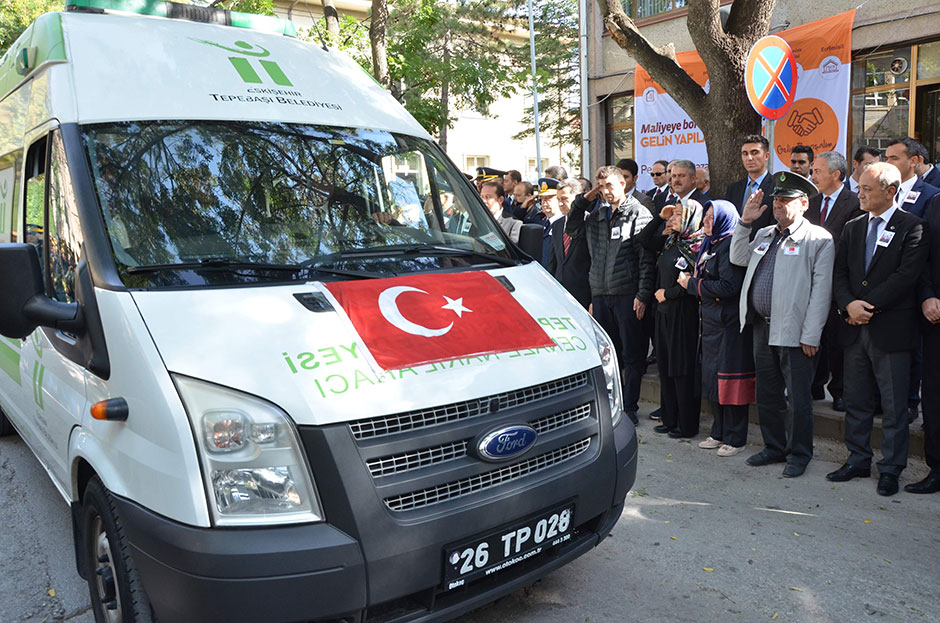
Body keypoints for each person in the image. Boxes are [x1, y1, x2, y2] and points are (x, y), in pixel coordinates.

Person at [828, 162, 928, 496]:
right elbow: (839, 273)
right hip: (854, 329)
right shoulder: (854, 226)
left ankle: (891, 468)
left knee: (894, 405)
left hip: (891, 330)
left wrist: (865, 306)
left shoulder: (913, 227)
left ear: (890, 191)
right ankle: (857, 459)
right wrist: (848, 306)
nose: (860, 194)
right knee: (856, 399)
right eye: (860, 188)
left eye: (867, 189)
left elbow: (906, 276)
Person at [730, 171, 834, 478]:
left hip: (795, 331)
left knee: (799, 398)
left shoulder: (818, 239)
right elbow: (737, 258)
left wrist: (811, 334)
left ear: (803, 204)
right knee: (768, 393)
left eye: (785, 200)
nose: (778, 205)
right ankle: (773, 447)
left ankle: (799, 453)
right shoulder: (764, 234)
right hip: (762, 327)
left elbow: (821, 292)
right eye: (776, 199)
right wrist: (745, 222)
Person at [567, 166, 655, 425]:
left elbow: (646, 259)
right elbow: (572, 228)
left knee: (632, 355)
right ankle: (610, 404)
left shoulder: (638, 213)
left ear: (623, 184)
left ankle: (629, 407)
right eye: (601, 186)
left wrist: (643, 294)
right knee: (608, 354)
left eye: (610, 186)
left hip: (628, 294)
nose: (606, 191)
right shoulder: (596, 216)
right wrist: (584, 200)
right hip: (601, 293)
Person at [680, 200, 754, 456]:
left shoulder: (730, 244)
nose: (707, 222)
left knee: (730, 379)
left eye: (712, 217)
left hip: (728, 323)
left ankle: (735, 437)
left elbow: (728, 287)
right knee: (712, 378)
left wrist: (692, 285)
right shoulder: (710, 244)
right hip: (711, 322)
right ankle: (718, 431)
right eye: (706, 217)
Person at [636, 200, 703, 439]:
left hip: (683, 316)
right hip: (663, 315)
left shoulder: (696, 246)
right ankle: (669, 417)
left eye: (677, 215)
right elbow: (643, 240)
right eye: (672, 215)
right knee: (665, 368)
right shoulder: (672, 241)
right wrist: (659, 217)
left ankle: (685, 425)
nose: (672, 219)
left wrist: (668, 294)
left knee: (681, 369)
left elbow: (690, 284)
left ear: (690, 218)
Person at [807, 151, 863, 411]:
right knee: (814, 337)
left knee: (839, 340)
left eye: (818, 171)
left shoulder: (854, 203)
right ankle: (814, 385)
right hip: (813, 281)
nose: (813, 175)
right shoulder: (811, 201)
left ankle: (838, 390)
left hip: (840, 282)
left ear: (836, 174)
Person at [907, 194, 940, 493]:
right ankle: (937, 469)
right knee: (933, 394)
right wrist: (928, 294)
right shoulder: (937, 203)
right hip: (936, 317)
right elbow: (925, 256)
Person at [548, 179, 591, 309]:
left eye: (565, 199)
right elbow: (553, 261)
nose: (560, 203)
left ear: (577, 198)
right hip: (561, 293)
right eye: (558, 199)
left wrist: (593, 300)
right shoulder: (557, 225)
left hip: (583, 292)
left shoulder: (589, 221)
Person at [725, 135, 776, 235]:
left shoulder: (776, 187)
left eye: (755, 152)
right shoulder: (733, 189)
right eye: (745, 153)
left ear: (766, 156)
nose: (749, 158)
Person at [883, 137, 938, 218]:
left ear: (913, 161)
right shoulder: (879, 190)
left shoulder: (932, 195)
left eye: (894, 158)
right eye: (887, 158)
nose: (888, 163)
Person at [536, 177, 563, 267]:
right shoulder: (544, 223)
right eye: (542, 199)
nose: (544, 202)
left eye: (549, 198)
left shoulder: (564, 225)